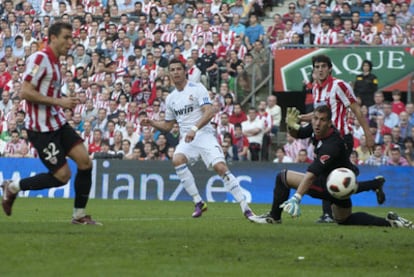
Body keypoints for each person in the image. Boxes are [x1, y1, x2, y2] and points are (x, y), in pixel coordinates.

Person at [247, 106, 413, 229]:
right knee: (344, 219)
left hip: (328, 184)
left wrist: (297, 197)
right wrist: (291, 126)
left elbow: (311, 175)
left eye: (322, 120)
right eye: (315, 119)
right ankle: (391, 222)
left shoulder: (331, 145)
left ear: (330, 123)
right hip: (339, 181)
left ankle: (274, 217)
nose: (317, 123)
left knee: (283, 176)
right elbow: (298, 133)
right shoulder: (315, 128)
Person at [1, 22, 101, 225]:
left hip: (58, 122)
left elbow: (46, 92)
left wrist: (65, 100)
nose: (70, 42)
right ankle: (12, 187)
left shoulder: (56, 62)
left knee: (85, 162)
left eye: (71, 38)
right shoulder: (40, 58)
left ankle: (79, 215)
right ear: (53, 38)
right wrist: (60, 102)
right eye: (66, 37)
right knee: (62, 176)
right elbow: (25, 92)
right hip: (41, 130)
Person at [141, 59, 254, 220]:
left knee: (220, 167)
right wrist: (151, 122)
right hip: (188, 139)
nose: (175, 72)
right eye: (172, 70)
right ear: (169, 74)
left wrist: (194, 129)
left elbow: (209, 112)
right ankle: (198, 202)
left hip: (204, 135)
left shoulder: (197, 88)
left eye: (178, 69)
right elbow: (167, 126)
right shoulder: (171, 98)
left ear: (184, 71)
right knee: (177, 159)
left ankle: (246, 208)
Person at [300, 54, 380, 223]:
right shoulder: (315, 88)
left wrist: (368, 134)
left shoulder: (339, 85)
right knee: (337, 179)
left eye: (323, 66)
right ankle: (373, 185)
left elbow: (356, 109)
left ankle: (327, 214)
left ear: (329, 68)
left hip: (341, 138)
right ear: (313, 70)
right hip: (324, 139)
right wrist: (300, 118)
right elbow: (317, 115)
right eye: (317, 67)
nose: (320, 70)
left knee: (324, 174)